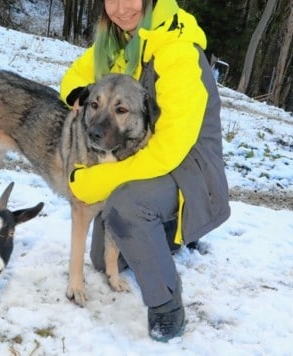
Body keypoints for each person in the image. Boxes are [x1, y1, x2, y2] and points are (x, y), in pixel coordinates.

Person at [60, 0, 231, 342]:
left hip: (190, 166)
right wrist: (80, 98)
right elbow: (74, 79)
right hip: (149, 155)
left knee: (126, 209)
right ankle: (164, 234)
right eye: (112, 0)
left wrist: (95, 181)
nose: (121, 9)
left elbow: (168, 151)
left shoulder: (177, 51)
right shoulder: (120, 42)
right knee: (100, 258)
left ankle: (167, 306)